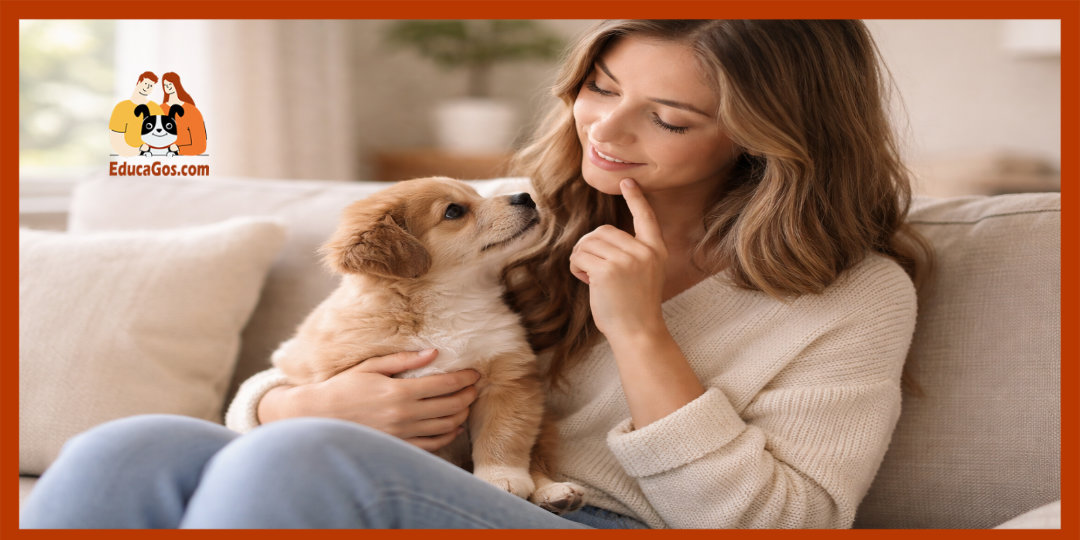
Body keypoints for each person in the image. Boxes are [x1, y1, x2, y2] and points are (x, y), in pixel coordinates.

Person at [22, 20, 931, 529]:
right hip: (455, 488)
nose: (604, 134)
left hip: (601, 521)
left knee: (310, 464)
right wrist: (289, 405)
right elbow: (324, 348)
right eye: (600, 88)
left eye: (669, 119)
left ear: (770, 138)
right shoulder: (510, 217)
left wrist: (642, 330)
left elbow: (787, 524)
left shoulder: (850, 293)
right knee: (126, 447)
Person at [108, 71, 163, 156]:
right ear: (138, 82)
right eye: (145, 84)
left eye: (151, 86)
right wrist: (139, 150)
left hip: (153, 160)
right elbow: (117, 142)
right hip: (128, 161)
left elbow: (162, 139)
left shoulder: (156, 108)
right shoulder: (121, 108)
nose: (147, 88)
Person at [160, 72, 207, 155]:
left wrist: (178, 149)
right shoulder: (160, 110)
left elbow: (200, 146)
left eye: (170, 84)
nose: (168, 87)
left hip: (187, 161)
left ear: (177, 84)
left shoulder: (192, 111)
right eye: (165, 85)